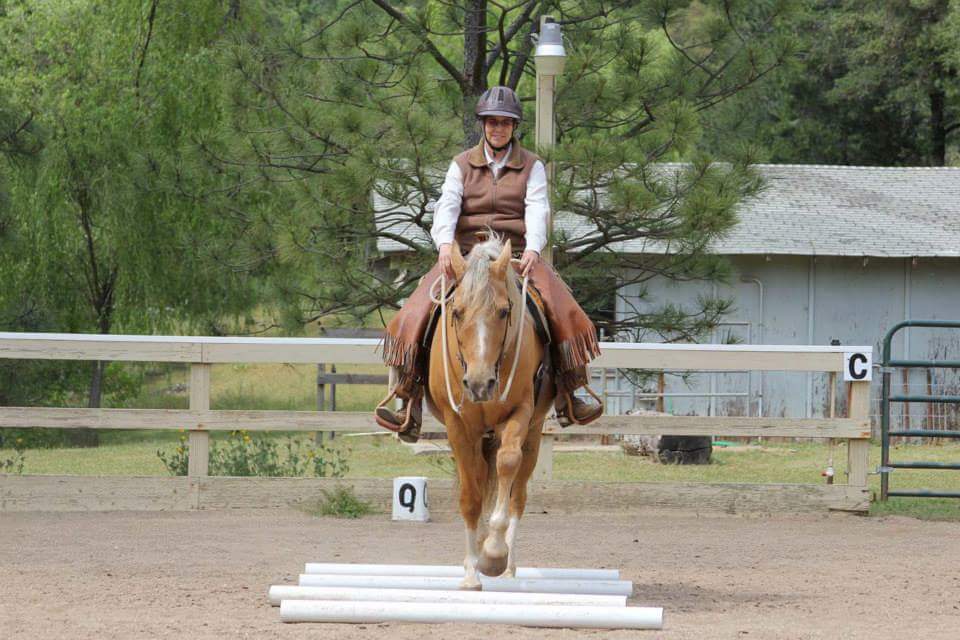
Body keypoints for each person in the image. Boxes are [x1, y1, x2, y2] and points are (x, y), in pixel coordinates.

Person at [375, 85, 603, 442]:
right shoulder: (461, 164)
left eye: (505, 123)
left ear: (514, 127)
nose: (498, 128)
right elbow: (448, 205)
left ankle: (569, 392)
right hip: (466, 255)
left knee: (564, 308)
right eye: (492, 122)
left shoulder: (532, 165)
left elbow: (538, 207)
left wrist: (533, 248)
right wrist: (444, 245)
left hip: (513, 257)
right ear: (483, 124)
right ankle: (408, 398)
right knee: (413, 312)